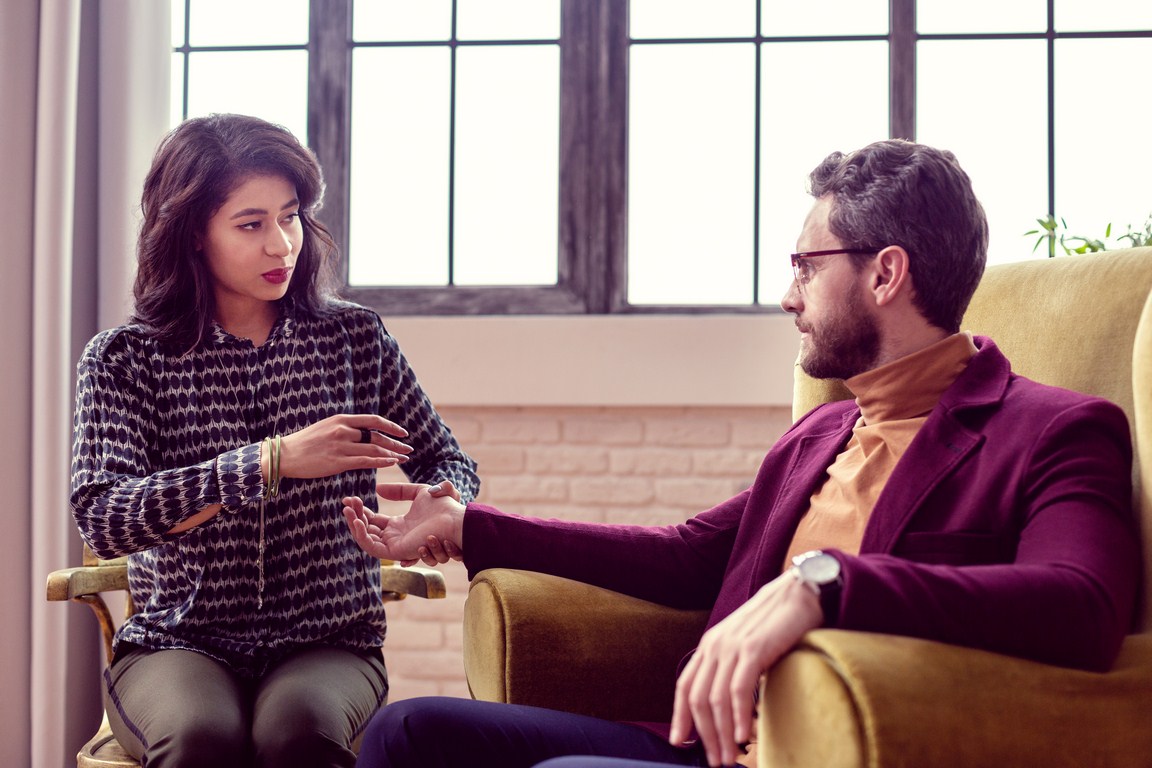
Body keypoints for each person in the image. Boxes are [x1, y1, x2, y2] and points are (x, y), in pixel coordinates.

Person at [342, 139, 1139, 768]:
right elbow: (690, 557)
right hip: (705, 745)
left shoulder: (1055, 431)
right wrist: (469, 526)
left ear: (886, 273)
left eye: (806, 265)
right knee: (405, 736)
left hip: (831, 748)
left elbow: (1083, 606)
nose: (788, 294)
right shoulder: (824, 433)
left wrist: (824, 585)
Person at [69, 113, 480, 768]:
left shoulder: (354, 339)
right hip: (178, 642)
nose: (281, 245)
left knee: (297, 736)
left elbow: (444, 457)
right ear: (194, 234)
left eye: (289, 217)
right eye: (251, 224)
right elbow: (106, 514)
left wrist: (437, 506)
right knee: (201, 738)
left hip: (329, 642)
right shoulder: (125, 358)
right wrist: (271, 461)